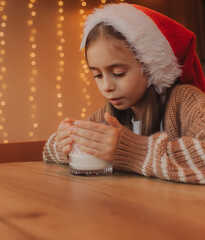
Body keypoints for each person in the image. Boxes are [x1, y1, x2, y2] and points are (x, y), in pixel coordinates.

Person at [43, 3, 205, 184]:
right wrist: (64, 144)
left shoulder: (186, 100)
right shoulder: (109, 114)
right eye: (97, 75)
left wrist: (131, 151)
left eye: (118, 73)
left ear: (150, 66)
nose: (106, 86)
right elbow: (47, 150)